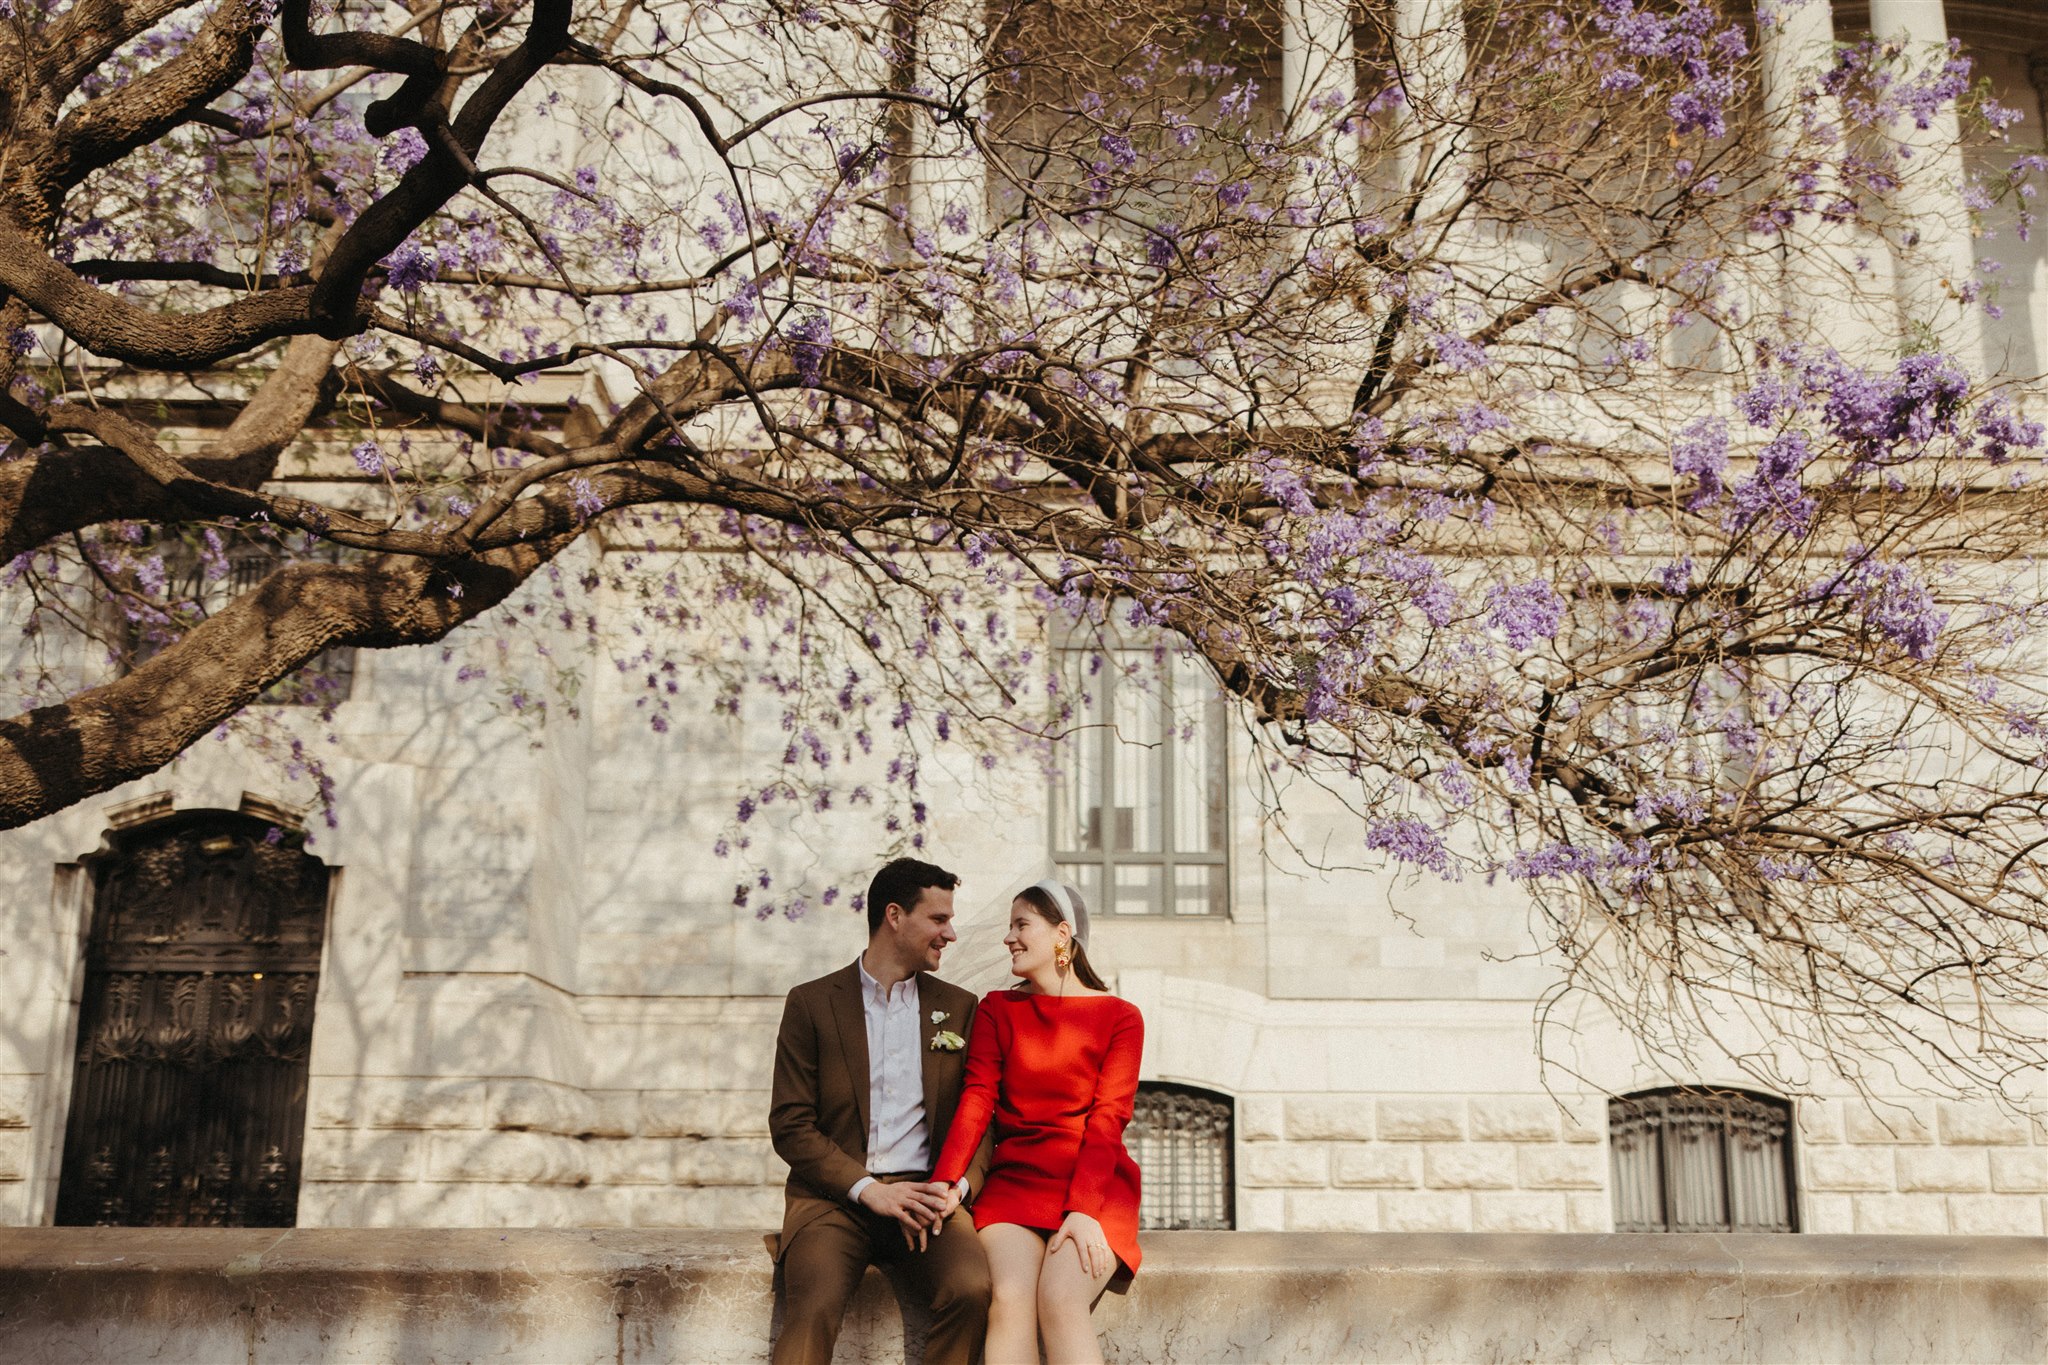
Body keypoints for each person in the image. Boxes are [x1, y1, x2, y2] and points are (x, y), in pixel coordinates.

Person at [767, 857, 995, 1365]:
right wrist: (868, 1190)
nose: (950, 933)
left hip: (927, 1198)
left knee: (972, 1288)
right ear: (895, 916)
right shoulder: (810, 1003)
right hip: (835, 1200)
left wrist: (952, 1189)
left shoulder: (959, 1007)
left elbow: (979, 1120)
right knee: (813, 1306)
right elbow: (790, 1124)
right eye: (938, 919)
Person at [928, 880, 1143, 1365]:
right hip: (1015, 1185)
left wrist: (1085, 1209)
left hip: (1095, 1189)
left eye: (1021, 925)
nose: (1008, 937)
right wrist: (945, 1181)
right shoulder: (997, 1009)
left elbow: (1109, 1120)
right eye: (1009, 926)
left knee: (1061, 1299)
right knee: (1009, 1298)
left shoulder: (1121, 1017)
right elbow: (977, 1099)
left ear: (1061, 935)